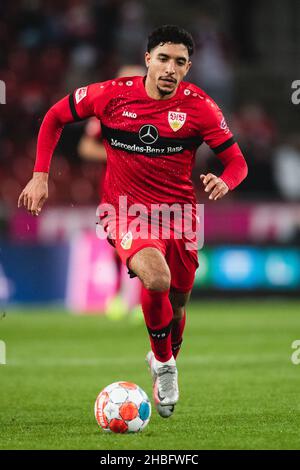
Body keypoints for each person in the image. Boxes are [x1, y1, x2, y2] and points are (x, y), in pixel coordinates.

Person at [18, 25, 248, 418]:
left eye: (179, 62)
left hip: (180, 216)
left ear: (189, 67)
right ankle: (166, 366)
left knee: (176, 308)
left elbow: (238, 163)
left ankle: (162, 356)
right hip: (124, 211)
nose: (170, 68)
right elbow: (55, 117)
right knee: (155, 279)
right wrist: (41, 175)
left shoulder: (201, 107)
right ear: (147, 59)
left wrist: (224, 182)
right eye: (163, 58)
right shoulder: (111, 94)